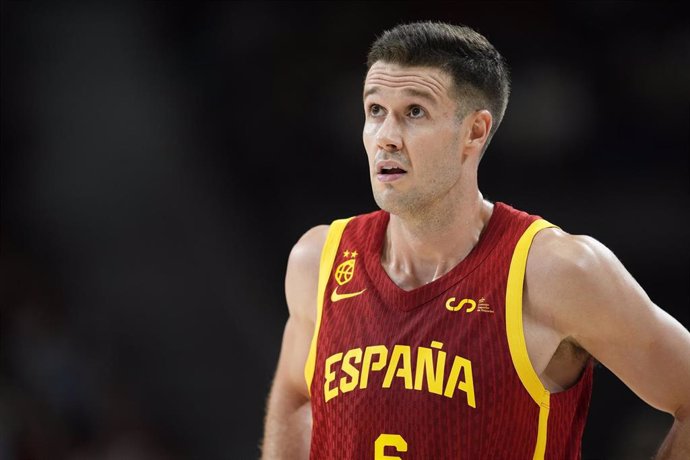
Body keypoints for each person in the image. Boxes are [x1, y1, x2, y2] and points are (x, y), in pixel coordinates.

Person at [261, 21, 690, 459]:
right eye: (375, 111)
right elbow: (296, 397)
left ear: (475, 131)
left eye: (414, 112)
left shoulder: (555, 270)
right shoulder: (320, 260)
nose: (386, 137)